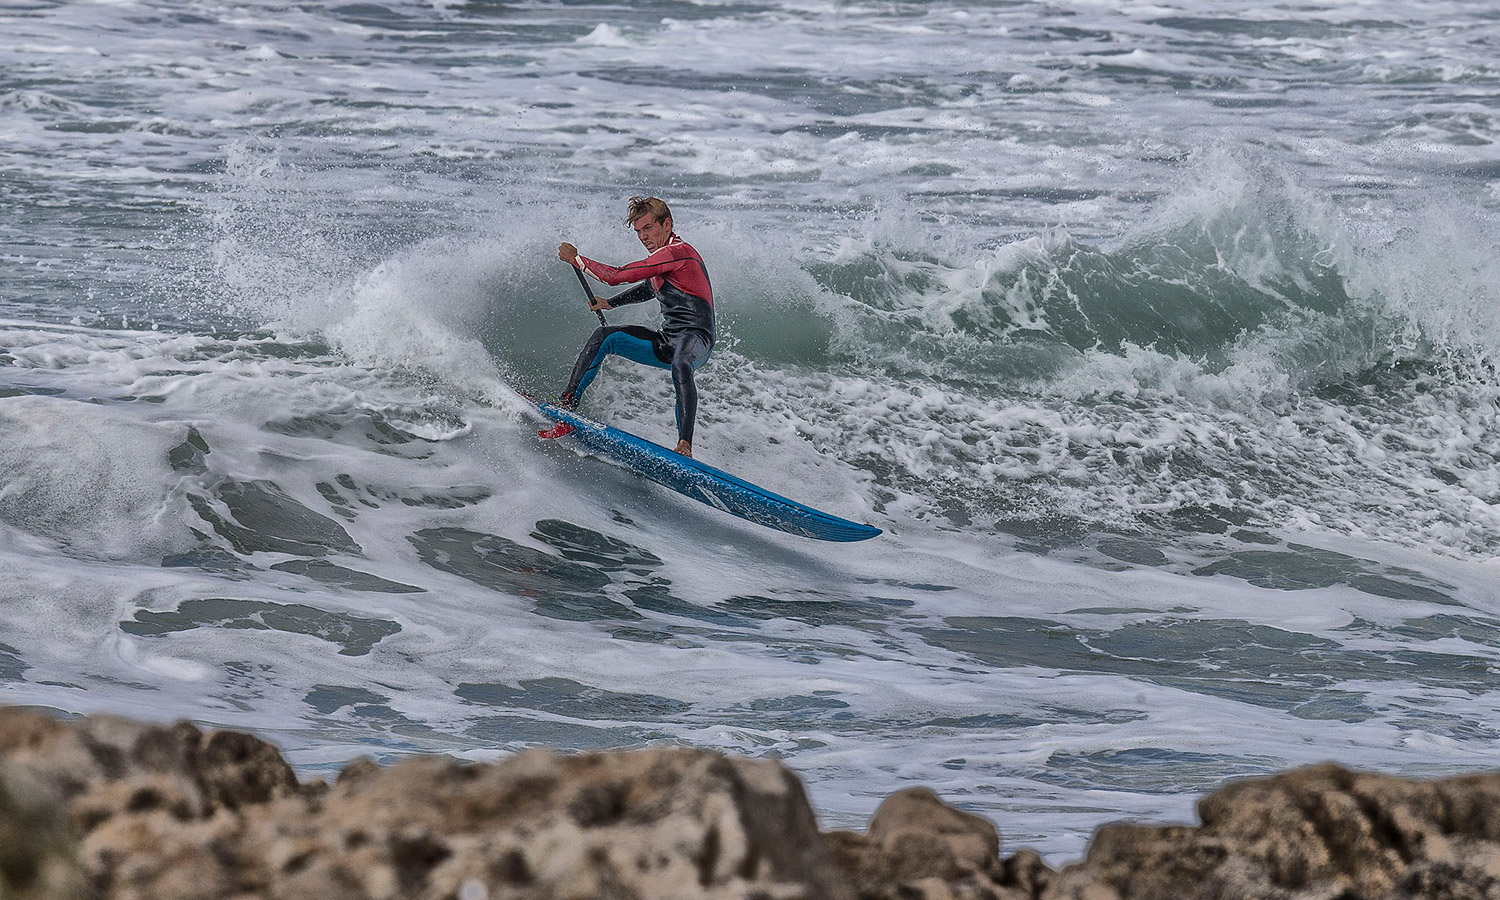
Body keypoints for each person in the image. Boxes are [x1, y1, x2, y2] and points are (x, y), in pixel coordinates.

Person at [552, 196, 715, 457]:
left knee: (681, 363)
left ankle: (685, 444)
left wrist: (577, 259)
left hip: (697, 340)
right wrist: (610, 304)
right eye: (638, 231)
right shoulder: (663, 259)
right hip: (668, 341)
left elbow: (616, 276)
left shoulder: (678, 252)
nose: (643, 236)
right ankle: (567, 406)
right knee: (606, 336)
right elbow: (651, 287)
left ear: (667, 224)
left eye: (648, 228)